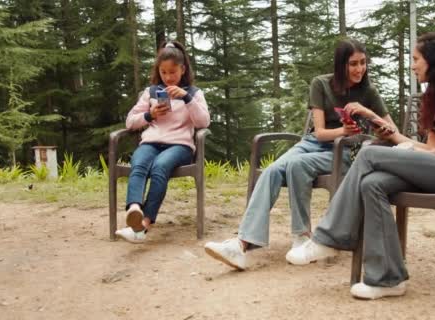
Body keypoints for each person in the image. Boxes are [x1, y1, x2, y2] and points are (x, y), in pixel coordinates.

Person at [285, 27, 435, 300]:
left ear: (433, 60)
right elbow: (430, 147)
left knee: (369, 154)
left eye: (415, 60)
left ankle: (329, 238)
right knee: (372, 183)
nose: (412, 66)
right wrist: (392, 134)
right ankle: (387, 279)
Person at [203, 39, 397, 270]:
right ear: (340, 65)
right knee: (272, 171)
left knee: (297, 165)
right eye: (353, 64)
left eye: (363, 63)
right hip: (313, 144)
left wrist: (371, 120)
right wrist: (342, 129)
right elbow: (322, 132)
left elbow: (393, 130)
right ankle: (241, 244)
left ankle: (302, 235)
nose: (359, 69)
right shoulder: (321, 84)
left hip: (344, 152)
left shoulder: (368, 92)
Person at [115, 40, 210, 243]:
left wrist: (186, 98)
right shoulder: (151, 93)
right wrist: (150, 115)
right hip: (151, 143)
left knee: (159, 167)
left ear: (182, 69)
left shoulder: (193, 93)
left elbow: (203, 122)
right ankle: (134, 209)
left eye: (173, 72)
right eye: (164, 72)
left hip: (180, 146)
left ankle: (144, 226)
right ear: (159, 70)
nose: (168, 77)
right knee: (138, 164)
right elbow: (130, 122)